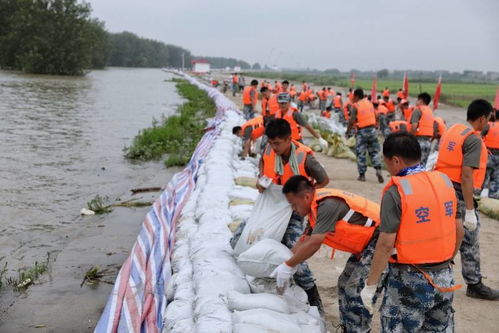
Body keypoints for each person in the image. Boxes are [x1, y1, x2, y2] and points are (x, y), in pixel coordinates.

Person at [361, 132, 463, 332]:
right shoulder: (444, 182)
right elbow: (458, 229)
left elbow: (385, 244)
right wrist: (446, 260)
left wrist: (371, 285)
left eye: (387, 163)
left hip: (410, 281)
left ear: (396, 160)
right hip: (445, 278)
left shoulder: (396, 191)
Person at [272, 175, 381, 332]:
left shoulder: (327, 205)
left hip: (382, 240)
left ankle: (360, 330)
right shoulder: (314, 209)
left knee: (355, 290)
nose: (293, 209)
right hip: (366, 247)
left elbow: (315, 243)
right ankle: (349, 328)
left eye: (294, 204)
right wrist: (284, 260)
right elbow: (304, 241)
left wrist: (289, 265)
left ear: (306, 196)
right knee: (344, 283)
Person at [257, 119, 329, 311]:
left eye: (278, 143)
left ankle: (312, 294)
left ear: (289, 139)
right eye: (271, 143)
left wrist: (304, 198)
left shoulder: (304, 157)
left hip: (294, 211)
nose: (274, 147)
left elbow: (323, 180)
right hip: (273, 208)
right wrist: (261, 182)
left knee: (294, 249)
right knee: (247, 238)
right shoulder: (268, 151)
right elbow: (262, 170)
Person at [435, 99, 499, 300]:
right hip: (460, 193)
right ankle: (474, 283)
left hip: (442, 187)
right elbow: (466, 175)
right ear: (482, 118)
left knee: (445, 235)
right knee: (469, 239)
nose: (489, 123)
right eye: (488, 119)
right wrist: (470, 210)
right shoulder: (473, 139)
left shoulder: (453, 130)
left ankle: (433, 275)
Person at [347, 88, 384, 183]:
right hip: (372, 130)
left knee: (361, 153)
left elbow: (351, 120)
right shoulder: (370, 103)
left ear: (356, 96)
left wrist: (348, 131)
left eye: (353, 97)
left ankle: (362, 175)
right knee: (374, 152)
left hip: (362, 131)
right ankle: (378, 169)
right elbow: (377, 116)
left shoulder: (355, 106)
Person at [410, 92, 435, 166]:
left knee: (413, 165)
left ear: (421, 100)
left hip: (418, 141)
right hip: (428, 142)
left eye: (417, 100)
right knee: (423, 166)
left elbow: (414, 127)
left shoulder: (417, 110)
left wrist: (410, 139)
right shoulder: (430, 111)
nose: (416, 102)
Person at [482, 109, 499, 199]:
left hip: (488, 155)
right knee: (496, 178)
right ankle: (493, 198)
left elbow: (481, 136)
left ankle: (477, 195)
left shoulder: (489, 125)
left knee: (483, 176)